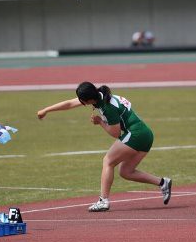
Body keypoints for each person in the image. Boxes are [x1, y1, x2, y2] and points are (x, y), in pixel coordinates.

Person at [37, 82, 172, 212]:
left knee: (108, 161)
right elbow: (70, 103)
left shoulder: (108, 107)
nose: (80, 102)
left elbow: (115, 133)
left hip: (136, 134)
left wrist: (100, 122)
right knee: (126, 172)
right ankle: (162, 183)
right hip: (144, 134)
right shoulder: (100, 95)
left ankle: (103, 201)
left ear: (89, 99)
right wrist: (46, 110)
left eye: (82, 100)